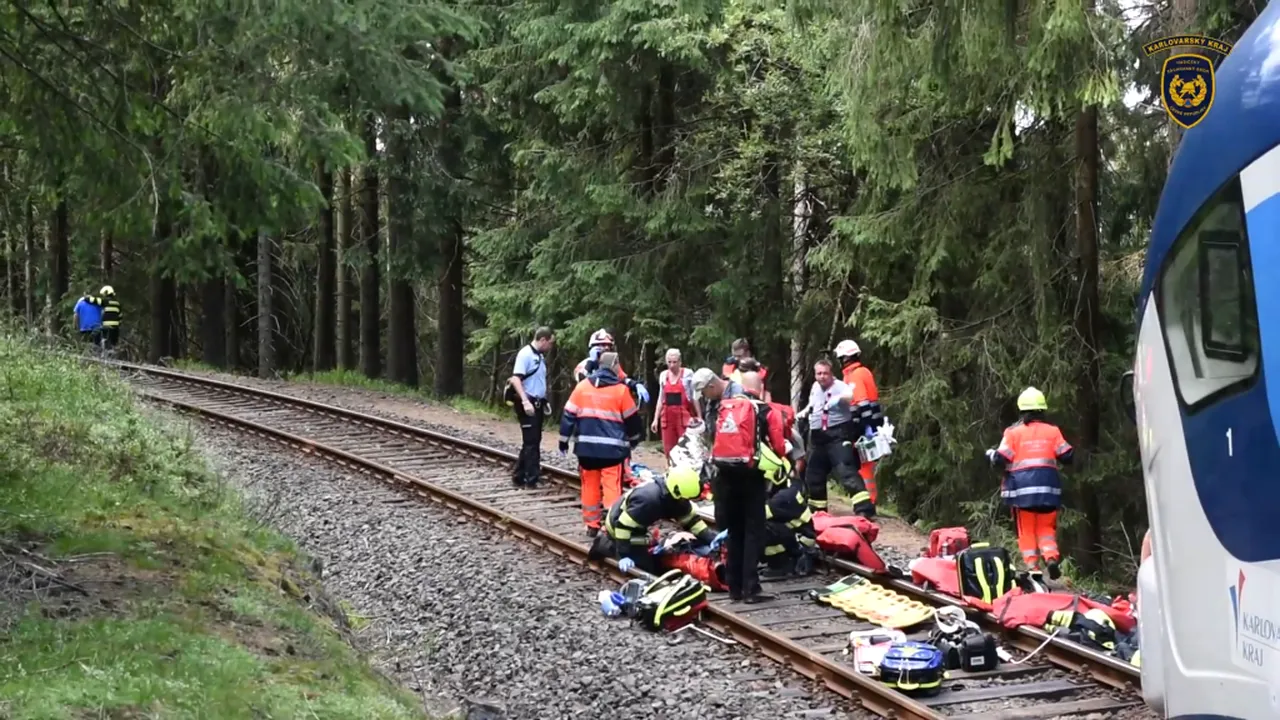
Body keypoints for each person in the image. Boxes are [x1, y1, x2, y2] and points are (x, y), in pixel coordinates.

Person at [706, 374, 787, 603]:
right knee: (753, 531)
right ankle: (751, 589)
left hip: (725, 476)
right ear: (759, 388)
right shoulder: (765, 410)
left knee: (734, 531)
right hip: (751, 477)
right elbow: (779, 446)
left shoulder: (724, 407)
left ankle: (734, 587)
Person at [984, 386, 1074, 580]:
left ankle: (1033, 567)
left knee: (1026, 530)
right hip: (1048, 492)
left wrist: (991, 455)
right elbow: (1067, 455)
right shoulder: (1053, 431)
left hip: (1021, 492)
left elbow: (1001, 459)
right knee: (1046, 529)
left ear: (1022, 410)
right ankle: (1051, 557)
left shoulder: (1013, 433)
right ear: (1043, 410)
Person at [560, 352, 644, 536]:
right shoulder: (621, 391)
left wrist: (563, 441)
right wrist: (634, 440)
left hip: (586, 450)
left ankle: (592, 525)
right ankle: (610, 526)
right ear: (614, 367)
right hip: (612, 452)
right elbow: (632, 420)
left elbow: (568, 415)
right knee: (612, 489)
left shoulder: (582, 387)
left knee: (589, 487)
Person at [601, 466, 716, 574]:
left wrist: (712, 538)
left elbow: (692, 521)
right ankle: (615, 546)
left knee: (676, 544)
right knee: (650, 564)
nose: (687, 502)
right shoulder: (647, 501)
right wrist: (623, 554)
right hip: (621, 533)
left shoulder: (676, 496)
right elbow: (623, 527)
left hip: (641, 527)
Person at [801, 359, 874, 517]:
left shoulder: (840, 386)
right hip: (817, 435)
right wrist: (805, 412)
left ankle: (864, 509)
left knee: (845, 470)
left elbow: (849, 396)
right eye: (819, 373)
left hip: (838, 433)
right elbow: (813, 403)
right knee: (814, 473)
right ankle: (817, 510)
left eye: (825, 373)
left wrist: (839, 399)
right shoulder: (815, 387)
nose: (822, 377)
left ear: (831, 373)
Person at [834, 339, 885, 503]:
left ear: (846, 358)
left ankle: (868, 499)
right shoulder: (861, 372)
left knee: (862, 463)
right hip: (868, 425)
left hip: (863, 426)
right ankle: (867, 498)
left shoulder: (855, 375)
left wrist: (862, 428)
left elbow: (861, 403)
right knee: (864, 463)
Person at [508, 327, 555, 487]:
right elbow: (516, 379)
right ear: (543, 340)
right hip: (527, 404)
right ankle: (532, 478)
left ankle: (519, 475)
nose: (550, 347)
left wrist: (544, 400)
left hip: (537, 403)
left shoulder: (539, 357)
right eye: (550, 343)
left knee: (533, 440)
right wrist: (525, 401)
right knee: (531, 442)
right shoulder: (525, 354)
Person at [762, 473, 818, 578]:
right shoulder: (788, 487)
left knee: (763, 528)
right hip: (797, 533)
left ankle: (780, 564)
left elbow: (757, 515)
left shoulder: (783, 497)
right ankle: (777, 562)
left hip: (802, 540)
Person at [651, 348, 699, 459]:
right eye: (669, 362)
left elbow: (694, 396)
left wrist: (699, 416)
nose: (672, 365)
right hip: (667, 418)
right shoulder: (663, 375)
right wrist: (655, 419)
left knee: (685, 448)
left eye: (674, 362)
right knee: (669, 450)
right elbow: (660, 398)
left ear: (680, 362)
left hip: (684, 418)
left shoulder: (688, 374)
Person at [91, 286, 122, 350]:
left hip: (106, 325)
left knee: (97, 335)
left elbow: (93, 300)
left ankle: (99, 349)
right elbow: (120, 316)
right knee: (114, 344)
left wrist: (86, 298)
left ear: (106, 293)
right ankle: (113, 353)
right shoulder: (117, 303)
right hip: (115, 327)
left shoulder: (105, 301)